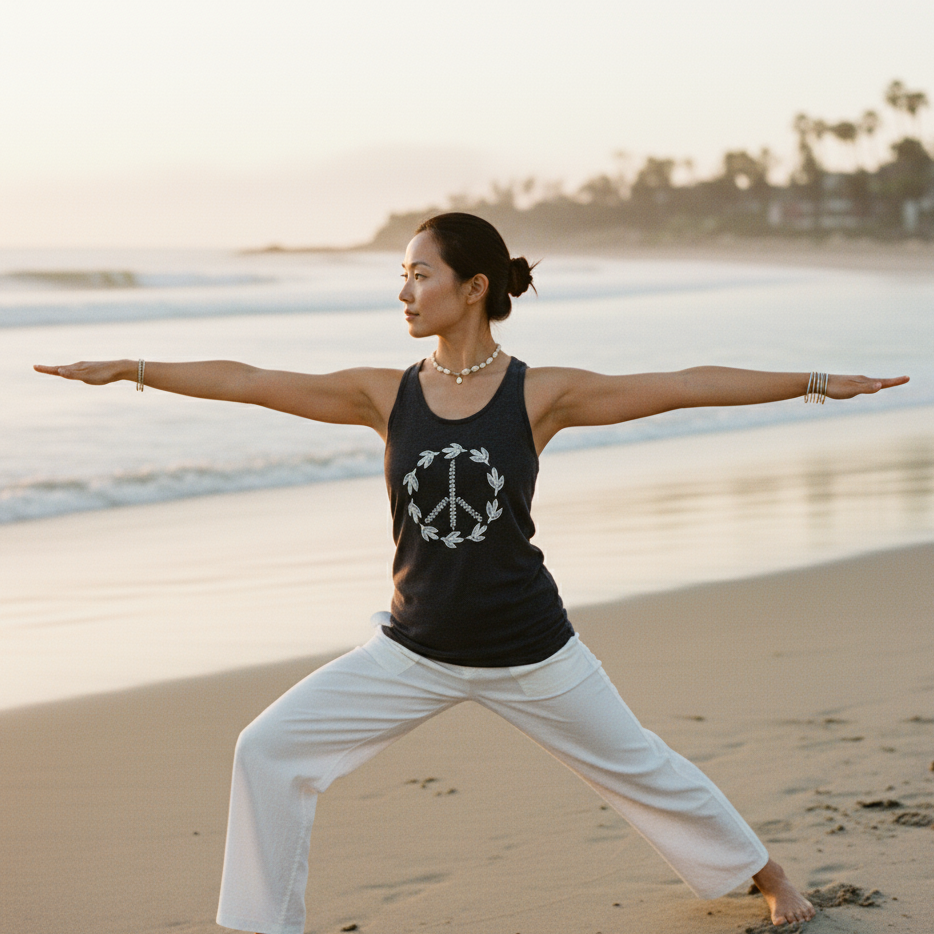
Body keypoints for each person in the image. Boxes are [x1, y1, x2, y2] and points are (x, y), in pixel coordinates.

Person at [35, 213, 908, 933]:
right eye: (402, 277)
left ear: (473, 286)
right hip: (411, 648)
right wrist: (133, 369)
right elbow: (254, 378)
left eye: (420, 273)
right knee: (266, 750)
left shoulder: (540, 393)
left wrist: (817, 381)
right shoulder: (386, 394)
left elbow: (682, 383)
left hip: (531, 648)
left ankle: (769, 874)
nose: (406, 292)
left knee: (644, 767)